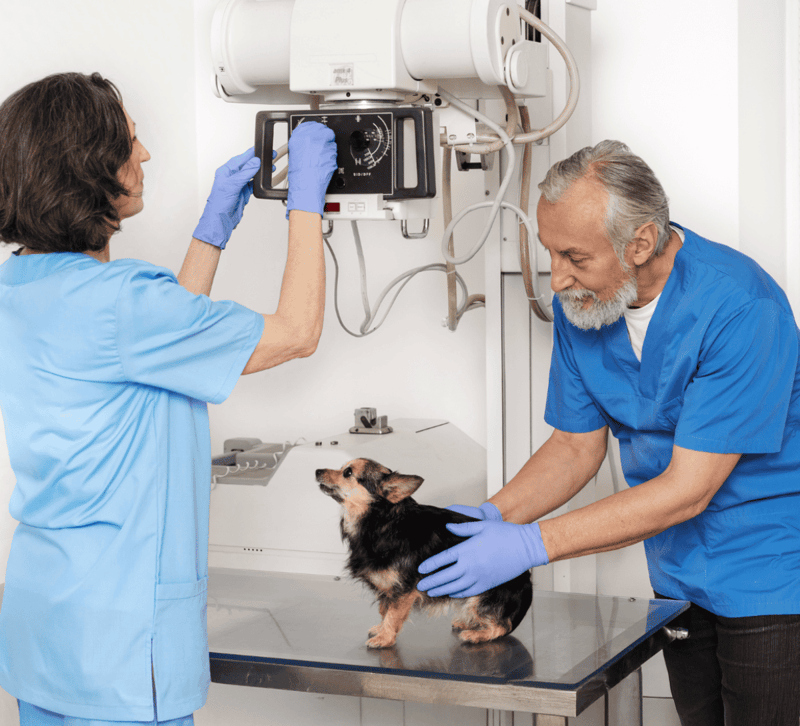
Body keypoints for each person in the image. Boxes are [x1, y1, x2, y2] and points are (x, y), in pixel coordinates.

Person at [418, 140, 800, 725]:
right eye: (550, 253)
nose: (558, 278)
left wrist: (530, 544)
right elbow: (575, 447)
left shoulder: (740, 307)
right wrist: (490, 519)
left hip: (772, 572)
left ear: (640, 243)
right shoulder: (588, 305)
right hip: (676, 570)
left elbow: (689, 489)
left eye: (574, 256)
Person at [0, 72, 337, 725]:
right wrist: (307, 205)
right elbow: (297, 334)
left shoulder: (20, 287)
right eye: (131, 141)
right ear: (89, 167)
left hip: (44, 633)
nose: (145, 155)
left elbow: (157, 347)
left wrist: (212, 232)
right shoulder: (124, 302)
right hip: (120, 649)